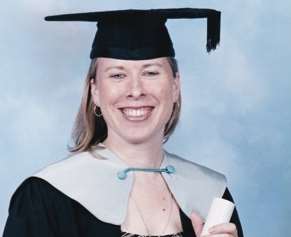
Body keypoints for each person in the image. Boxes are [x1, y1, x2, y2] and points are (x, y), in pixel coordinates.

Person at [3, 8, 244, 237]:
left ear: (175, 86)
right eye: (117, 75)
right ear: (95, 91)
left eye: (151, 72)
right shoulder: (47, 195)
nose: (136, 90)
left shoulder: (211, 194)